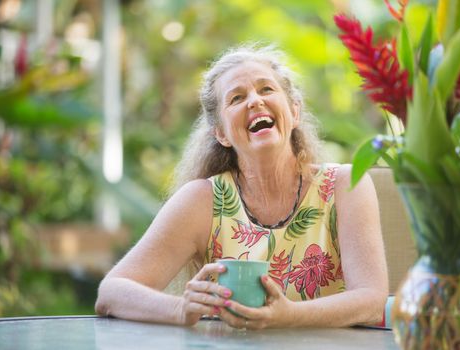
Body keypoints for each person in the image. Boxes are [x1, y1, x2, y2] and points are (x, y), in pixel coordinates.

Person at [95, 44, 388, 329]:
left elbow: (371, 301)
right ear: (221, 133)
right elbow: (112, 292)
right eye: (236, 98)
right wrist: (180, 308)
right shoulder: (203, 201)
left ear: (294, 112)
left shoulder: (345, 185)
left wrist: (289, 316)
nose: (254, 101)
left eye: (266, 89)